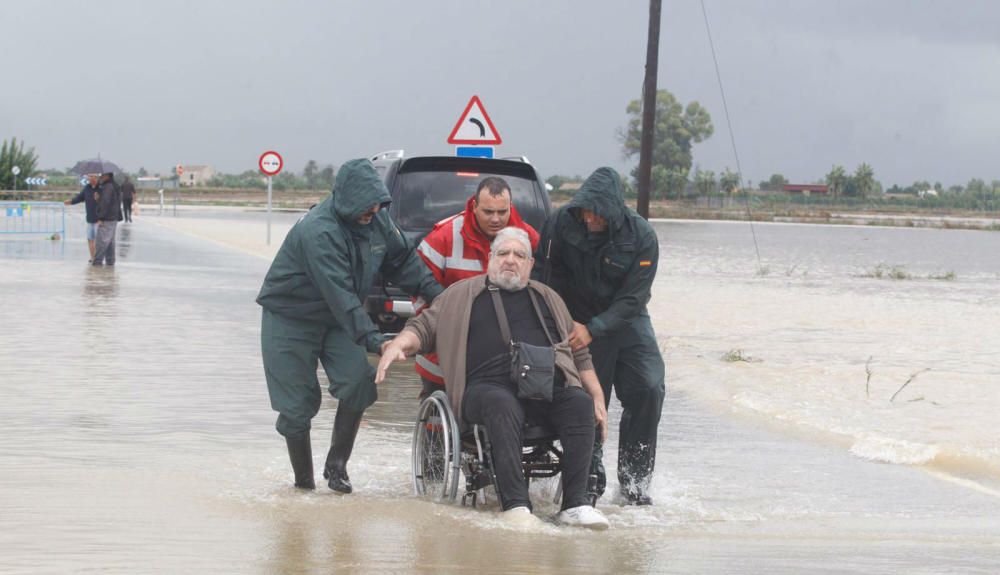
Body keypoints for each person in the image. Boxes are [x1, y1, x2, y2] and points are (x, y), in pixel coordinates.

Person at [377, 227, 610, 529]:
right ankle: (516, 506)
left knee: (579, 403)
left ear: (529, 264)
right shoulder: (460, 295)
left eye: (519, 255)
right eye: (503, 253)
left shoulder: (548, 298)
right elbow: (422, 328)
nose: (510, 260)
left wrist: (597, 396)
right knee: (502, 402)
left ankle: (575, 505)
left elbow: (579, 355)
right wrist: (398, 345)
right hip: (485, 388)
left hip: (544, 385)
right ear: (490, 259)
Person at [256, 158, 443, 493]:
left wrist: (439, 297)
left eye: (376, 205)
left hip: (338, 320)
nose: (372, 212)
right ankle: (304, 485)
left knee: (359, 381)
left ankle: (337, 465)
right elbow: (340, 295)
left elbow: (402, 260)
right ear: (346, 199)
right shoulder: (318, 231)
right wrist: (378, 341)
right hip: (291, 317)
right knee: (296, 408)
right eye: (366, 206)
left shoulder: (377, 219)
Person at [533, 167, 665, 506]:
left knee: (649, 388)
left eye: (597, 213)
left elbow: (634, 298)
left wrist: (596, 328)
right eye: (585, 211)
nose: (590, 218)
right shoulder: (560, 223)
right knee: (589, 400)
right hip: (574, 319)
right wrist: (563, 323)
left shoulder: (642, 236)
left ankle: (635, 482)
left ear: (615, 210)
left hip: (625, 320)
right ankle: (589, 478)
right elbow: (545, 277)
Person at [414, 176, 539, 397]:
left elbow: (541, 293)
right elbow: (420, 295)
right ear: (474, 206)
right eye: (488, 212)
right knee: (440, 412)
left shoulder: (528, 238)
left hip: (508, 348)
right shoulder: (443, 237)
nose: (496, 219)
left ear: (511, 207)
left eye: (502, 212)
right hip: (447, 346)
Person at [63, 174, 100, 261]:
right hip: (90, 219)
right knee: (90, 239)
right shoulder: (87, 188)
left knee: (99, 241)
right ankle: (92, 257)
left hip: (99, 219)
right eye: (89, 176)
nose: (90, 178)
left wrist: (99, 198)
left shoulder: (101, 188)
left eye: (92, 176)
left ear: (96, 177)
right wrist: (71, 202)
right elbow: (79, 198)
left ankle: (99, 258)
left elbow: (106, 201)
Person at [92, 172, 123, 266]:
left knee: (102, 241)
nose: (100, 177)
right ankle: (110, 264)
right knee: (110, 242)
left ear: (107, 176)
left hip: (107, 217)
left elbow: (105, 202)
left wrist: (101, 217)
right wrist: (98, 198)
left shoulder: (108, 186)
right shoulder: (114, 185)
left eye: (102, 175)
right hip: (113, 217)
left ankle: (97, 263)